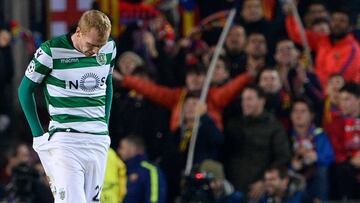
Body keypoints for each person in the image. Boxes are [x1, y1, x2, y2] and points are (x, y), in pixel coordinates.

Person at [18, 10, 116, 202]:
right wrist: (38, 134)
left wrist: (104, 123)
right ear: (79, 32)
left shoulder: (110, 48)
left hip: (98, 140)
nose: (96, 51)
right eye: (91, 44)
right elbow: (24, 90)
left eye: (100, 46)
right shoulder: (51, 51)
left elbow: (108, 84)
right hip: (66, 140)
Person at [224, 85, 291, 201]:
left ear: (261, 101)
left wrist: (265, 182)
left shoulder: (274, 126)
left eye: (249, 99)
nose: (244, 103)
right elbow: (223, 155)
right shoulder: (233, 125)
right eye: (243, 99)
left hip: (259, 192)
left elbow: (282, 157)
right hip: (232, 190)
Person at [284, 6, 360, 87]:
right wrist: (291, 15)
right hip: (319, 87)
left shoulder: (353, 49)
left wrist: (312, 78)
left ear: (350, 26)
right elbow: (298, 35)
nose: (337, 23)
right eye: (334, 20)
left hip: (339, 94)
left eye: (342, 21)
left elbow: (339, 78)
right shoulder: (323, 40)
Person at [290, 98, 334, 201]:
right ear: (291, 115)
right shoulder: (285, 135)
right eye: (295, 111)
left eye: (303, 111)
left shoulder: (319, 134)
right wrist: (292, 165)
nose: (298, 115)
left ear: (311, 115)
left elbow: (330, 157)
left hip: (315, 178)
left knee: (321, 169)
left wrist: (316, 157)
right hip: (294, 176)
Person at [118, 135, 167, 203]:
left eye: (121, 147)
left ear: (132, 149)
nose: (119, 151)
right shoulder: (121, 169)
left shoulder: (150, 170)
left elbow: (154, 199)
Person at [334, 82, 360, 200]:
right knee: (343, 170)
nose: (342, 104)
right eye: (340, 100)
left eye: (347, 99)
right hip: (348, 165)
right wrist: (351, 161)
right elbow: (336, 148)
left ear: (358, 100)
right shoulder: (337, 122)